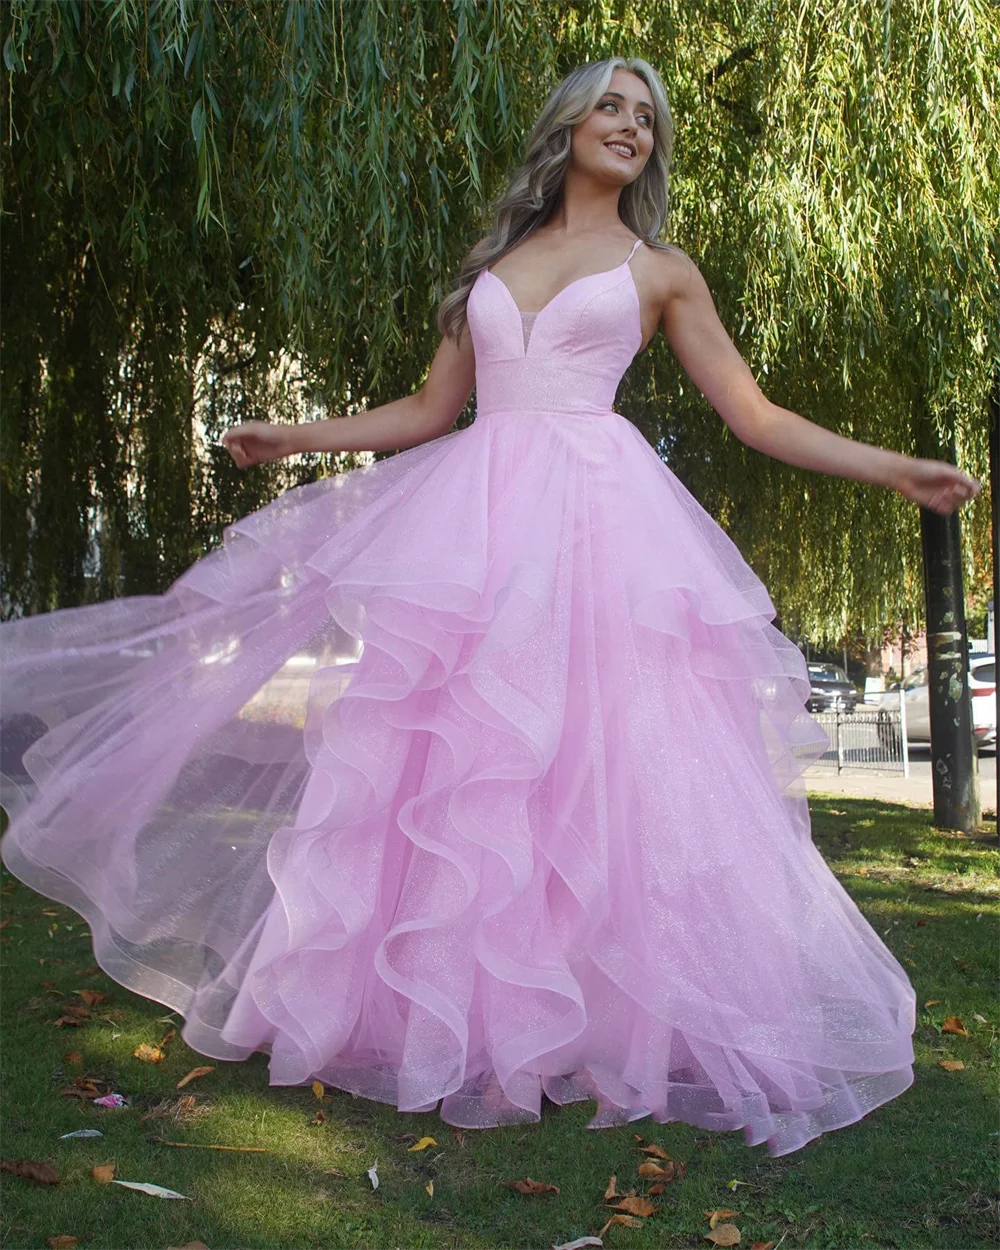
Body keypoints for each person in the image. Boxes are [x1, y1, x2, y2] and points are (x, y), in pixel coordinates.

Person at [0, 57, 979, 1160]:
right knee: (457, 763)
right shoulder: (493, 264)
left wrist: (894, 468)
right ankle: (455, 1014)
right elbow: (429, 409)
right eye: (610, 106)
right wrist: (295, 436)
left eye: (646, 118)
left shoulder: (660, 270)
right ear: (564, 125)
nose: (630, 127)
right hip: (475, 528)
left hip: (601, 529)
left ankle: (603, 1012)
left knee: (603, 765)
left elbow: (753, 413)